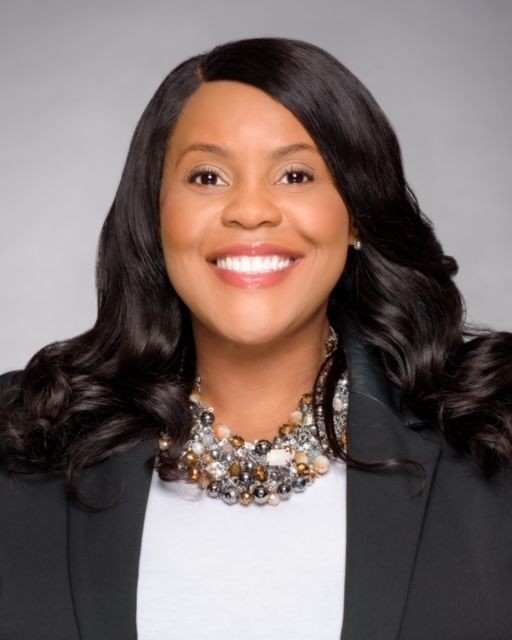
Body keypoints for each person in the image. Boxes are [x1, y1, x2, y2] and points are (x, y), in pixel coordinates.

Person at [0, 36, 511, 640]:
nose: (250, 211)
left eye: (295, 174)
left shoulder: (489, 434)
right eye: (208, 176)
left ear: (355, 215)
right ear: (157, 214)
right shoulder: (24, 438)